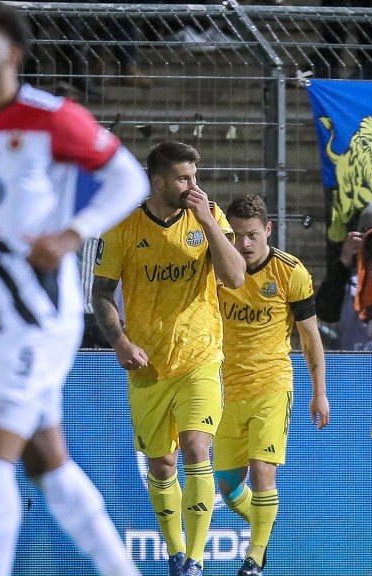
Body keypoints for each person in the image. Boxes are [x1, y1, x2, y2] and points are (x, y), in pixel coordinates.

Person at [0, 2, 149, 575]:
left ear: (11, 54)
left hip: (43, 312)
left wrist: (73, 233)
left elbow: (130, 179)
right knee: (49, 464)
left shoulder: (53, 118)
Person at [91, 140, 245, 576]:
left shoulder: (208, 216)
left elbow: (234, 277)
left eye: (195, 177)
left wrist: (208, 223)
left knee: (198, 448)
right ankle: (176, 553)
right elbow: (101, 293)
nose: (193, 185)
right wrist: (119, 340)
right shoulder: (123, 227)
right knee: (162, 463)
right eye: (183, 178)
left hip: (200, 357)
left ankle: (195, 561)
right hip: (147, 365)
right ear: (157, 181)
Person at [213, 194, 330, 576]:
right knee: (229, 489)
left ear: (268, 229)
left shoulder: (290, 272)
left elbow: (310, 337)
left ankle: (255, 559)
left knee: (264, 473)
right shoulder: (217, 271)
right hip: (227, 389)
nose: (243, 244)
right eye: (235, 236)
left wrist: (319, 391)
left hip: (272, 385)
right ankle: (264, 523)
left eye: (250, 235)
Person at [314, 200, 372, 351]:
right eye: (371, 234)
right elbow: (325, 312)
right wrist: (343, 261)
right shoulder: (347, 274)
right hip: (352, 365)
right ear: (360, 235)